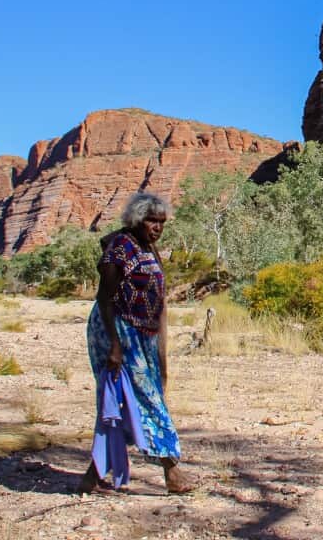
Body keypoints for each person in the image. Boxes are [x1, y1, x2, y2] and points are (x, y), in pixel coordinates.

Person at [76, 191, 195, 494]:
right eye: (151, 221)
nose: (157, 227)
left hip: (142, 335)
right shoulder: (121, 247)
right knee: (146, 398)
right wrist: (115, 344)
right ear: (137, 220)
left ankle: (93, 475)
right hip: (117, 331)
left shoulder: (147, 248)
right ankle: (172, 470)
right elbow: (105, 298)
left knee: (119, 402)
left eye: (161, 222)